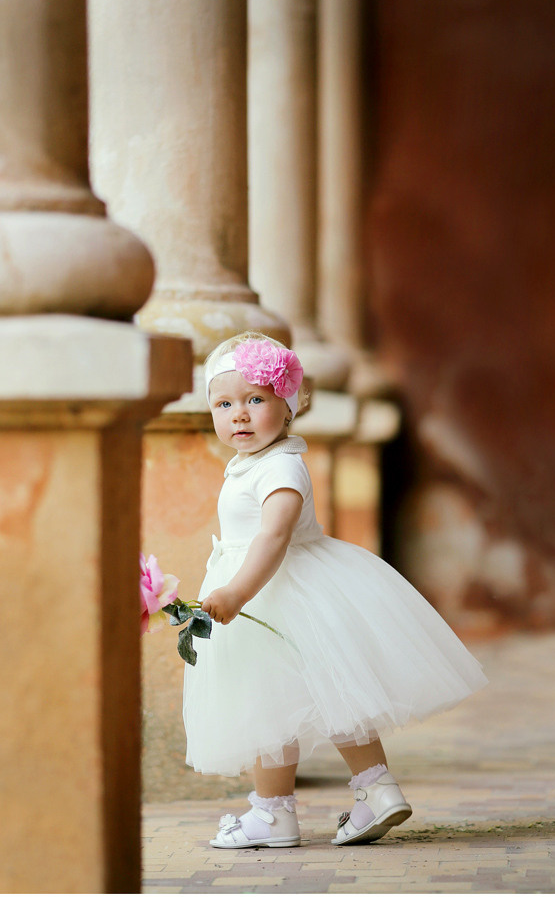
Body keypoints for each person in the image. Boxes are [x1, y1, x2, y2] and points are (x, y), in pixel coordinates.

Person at [183, 331, 488, 849]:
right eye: (224, 403)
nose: (239, 414)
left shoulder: (281, 465)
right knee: (325, 693)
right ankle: (375, 790)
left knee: (279, 702)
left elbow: (274, 535)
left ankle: (275, 814)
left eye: (255, 400)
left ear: (289, 406)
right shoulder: (250, 463)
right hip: (280, 593)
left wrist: (236, 592)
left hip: (280, 590)